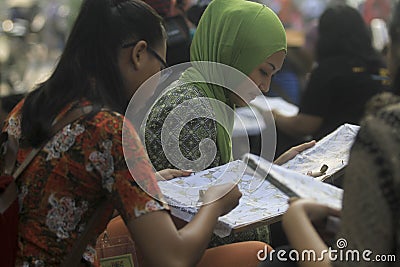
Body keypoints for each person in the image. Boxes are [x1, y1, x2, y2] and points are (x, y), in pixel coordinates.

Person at [0, 0, 269, 266]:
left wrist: (144, 181)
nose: (159, 81)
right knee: (261, 254)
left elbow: (66, 194)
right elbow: (173, 258)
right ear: (139, 53)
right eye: (162, 67)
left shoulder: (27, 107)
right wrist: (214, 205)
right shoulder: (109, 130)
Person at [144, 0, 315, 247]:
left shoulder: (205, 98)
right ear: (233, 55)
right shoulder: (192, 113)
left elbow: (219, 196)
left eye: (272, 75)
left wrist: (275, 175)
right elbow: (213, 228)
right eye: (263, 72)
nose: (265, 87)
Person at [260, 2, 400, 267]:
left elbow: (304, 126)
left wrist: (296, 219)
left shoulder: (381, 133)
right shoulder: (377, 68)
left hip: (332, 175)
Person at [272, 4, 391, 152]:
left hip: (334, 157)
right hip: (378, 151)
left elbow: (304, 125)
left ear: (325, 35)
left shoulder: (327, 70)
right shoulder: (382, 67)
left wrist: (274, 116)